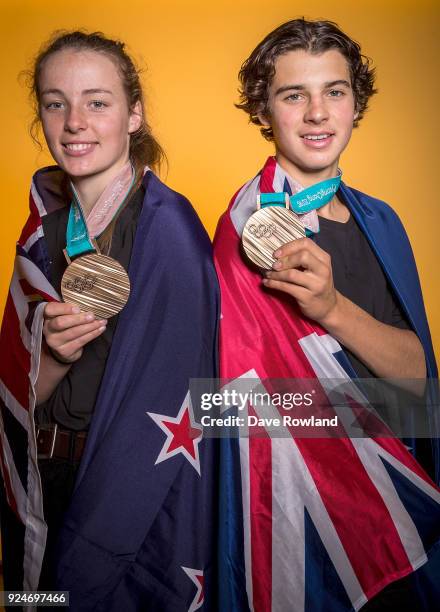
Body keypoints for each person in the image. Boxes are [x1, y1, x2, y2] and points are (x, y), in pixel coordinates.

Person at [213, 19, 440, 611]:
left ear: (355, 102)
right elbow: (230, 403)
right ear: (265, 111)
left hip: (399, 486)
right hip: (306, 508)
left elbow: (418, 379)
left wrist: (333, 309)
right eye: (294, 95)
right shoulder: (245, 231)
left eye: (334, 91)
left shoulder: (380, 220)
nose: (318, 113)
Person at [0, 31, 219, 611]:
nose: (74, 122)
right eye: (55, 102)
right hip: (43, 484)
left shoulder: (169, 230)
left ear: (134, 115)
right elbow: (19, 394)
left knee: (86, 597)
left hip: (126, 488)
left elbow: (188, 393)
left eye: (97, 102)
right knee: (36, 603)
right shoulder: (40, 231)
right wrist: (52, 357)